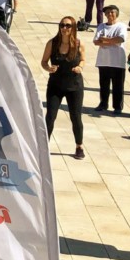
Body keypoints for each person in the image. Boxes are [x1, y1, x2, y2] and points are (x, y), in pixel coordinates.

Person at [41, 17, 87, 160]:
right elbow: (43, 61)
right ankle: (44, 146)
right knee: (50, 116)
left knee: (76, 117)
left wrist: (80, 67)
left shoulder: (79, 44)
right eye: (62, 25)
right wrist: (48, 68)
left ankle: (79, 146)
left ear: (73, 28)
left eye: (68, 25)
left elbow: (83, 60)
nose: (64, 28)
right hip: (56, 85)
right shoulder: (52, 43)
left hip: (74, 86)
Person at [93, 6, 129, 114]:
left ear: (116, 14)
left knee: (118, 85)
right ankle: (103, 103)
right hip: (103, 60)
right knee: (104, 84)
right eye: (107, 13)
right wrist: (111, 41)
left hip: (117, 61)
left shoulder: (121, 26)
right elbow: (96, 41)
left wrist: (105, 40)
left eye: (112, 12)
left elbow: (120, 39)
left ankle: (118, 106)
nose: (109, 15)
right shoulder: (101, 26)